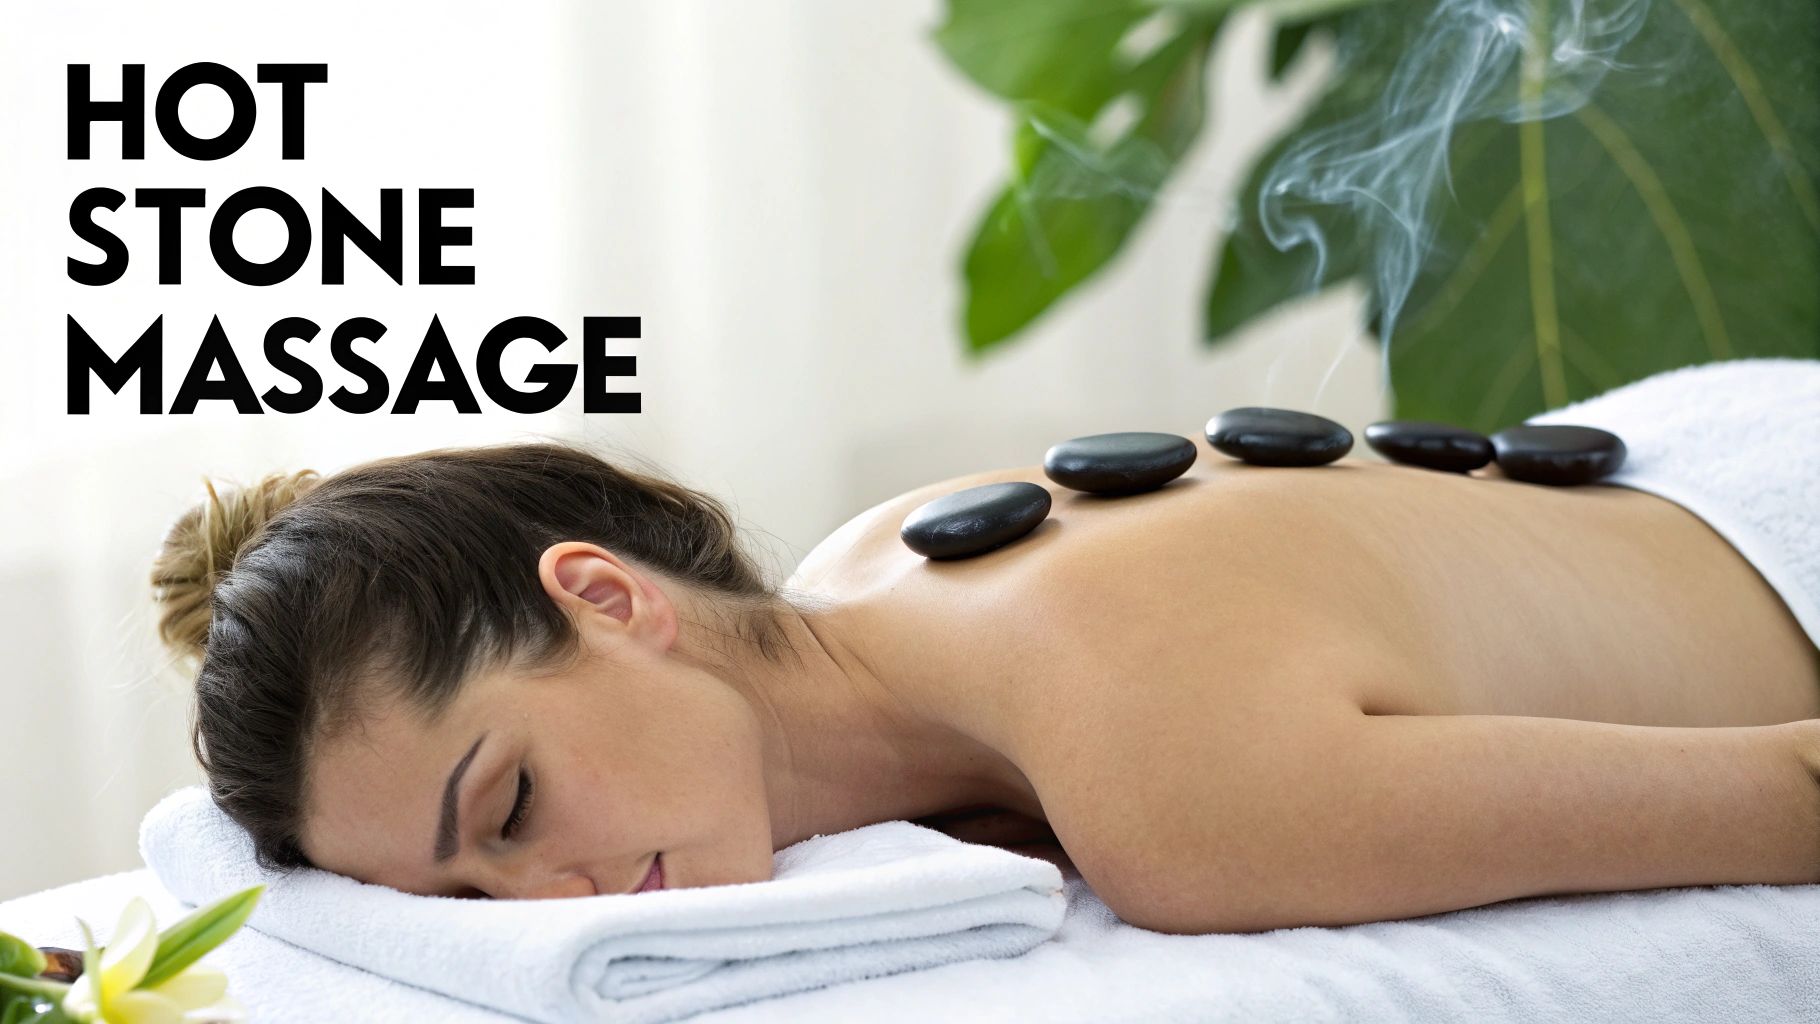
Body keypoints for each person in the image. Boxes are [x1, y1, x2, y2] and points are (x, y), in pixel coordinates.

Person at [151, 388, 1820, 935]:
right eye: (463, 910)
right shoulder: (865, 573)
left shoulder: (1176, 791)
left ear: (605, 595)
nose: (554, 907)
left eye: (508, 803)